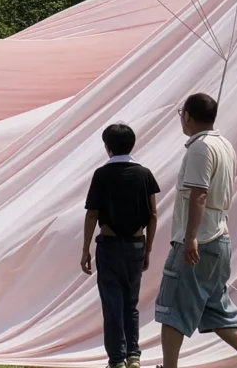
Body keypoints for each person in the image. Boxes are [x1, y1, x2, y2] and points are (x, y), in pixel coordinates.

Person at [154, 93, 237, 368]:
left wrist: (191, 238)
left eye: (181, 114)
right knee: (214, 307)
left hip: (201, 237)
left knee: (172, 307)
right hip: (220, 237)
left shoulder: (200, 148)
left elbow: (199, 194)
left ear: (188, 116)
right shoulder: (225, 145)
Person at [82, 123, 161, 368]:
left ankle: (116, 359)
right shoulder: (144, 174)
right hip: (137, 244)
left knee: (112, 304)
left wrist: (85, 249)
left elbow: (92, 214)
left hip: (109, 244)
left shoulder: (101, 174)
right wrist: (148, 250)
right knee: (131, 303)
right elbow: (153, 215)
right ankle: (134, 355)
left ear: (107, 148)